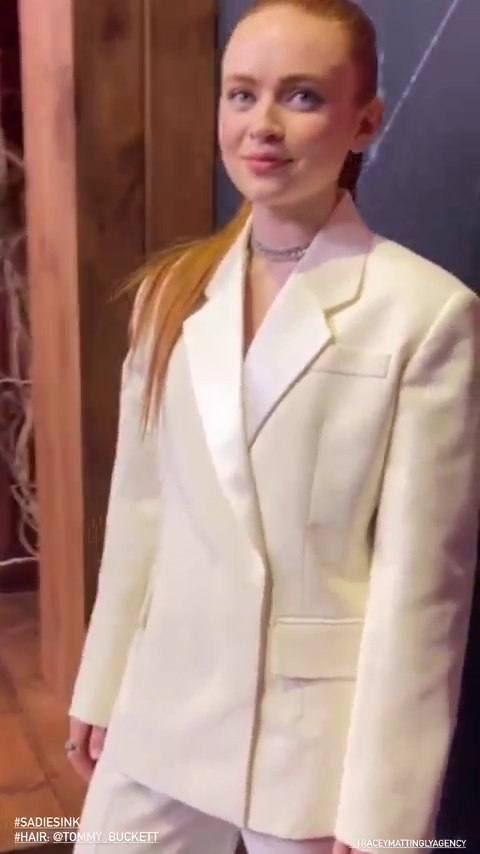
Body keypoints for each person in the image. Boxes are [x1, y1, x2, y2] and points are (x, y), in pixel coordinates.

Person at [66, 1, 480, 852]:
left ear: (364, 121)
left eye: (302, 96)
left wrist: (385, 810)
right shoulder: (172, 294)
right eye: (242, 93)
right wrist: (100, 685)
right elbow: (140, 512)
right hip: (161, 711)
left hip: (307, 745)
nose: (262, 124)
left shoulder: (423, 312)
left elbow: (421, 587)